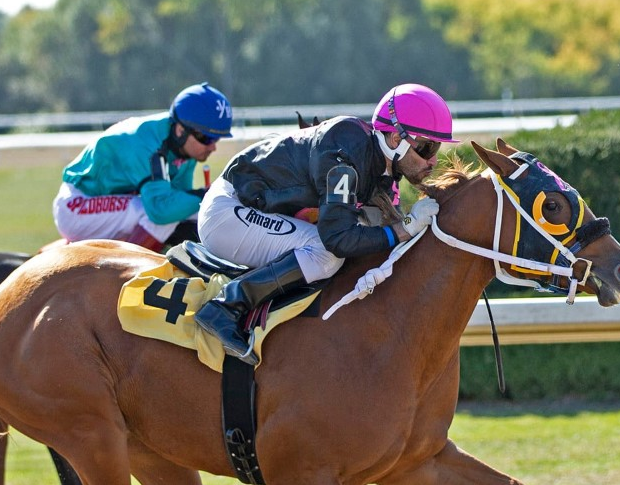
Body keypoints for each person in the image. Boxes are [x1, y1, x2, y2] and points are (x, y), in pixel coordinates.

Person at [193, 83, 457, 363]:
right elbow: (338, 239)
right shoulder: (345, 154)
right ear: (395, 139)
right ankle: (226, 306)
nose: (433, 160)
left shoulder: (381, 168)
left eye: (436, 147)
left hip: (249, 207)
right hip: (228, 212)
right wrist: (405, 227)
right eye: (426, 148)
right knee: (325, 254)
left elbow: (383, 244)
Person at [52, 82, 233, 251]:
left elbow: (181, 198)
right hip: (77, 205)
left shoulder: (186, 146)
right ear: (180, 130)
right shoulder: (148, 144)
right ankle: (124, 270)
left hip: (107, 205)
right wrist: (204, 195)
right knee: (162, 215)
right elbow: (160, 210)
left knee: (191, 211)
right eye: (206, 138)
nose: (213, 147)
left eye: (217, 139)